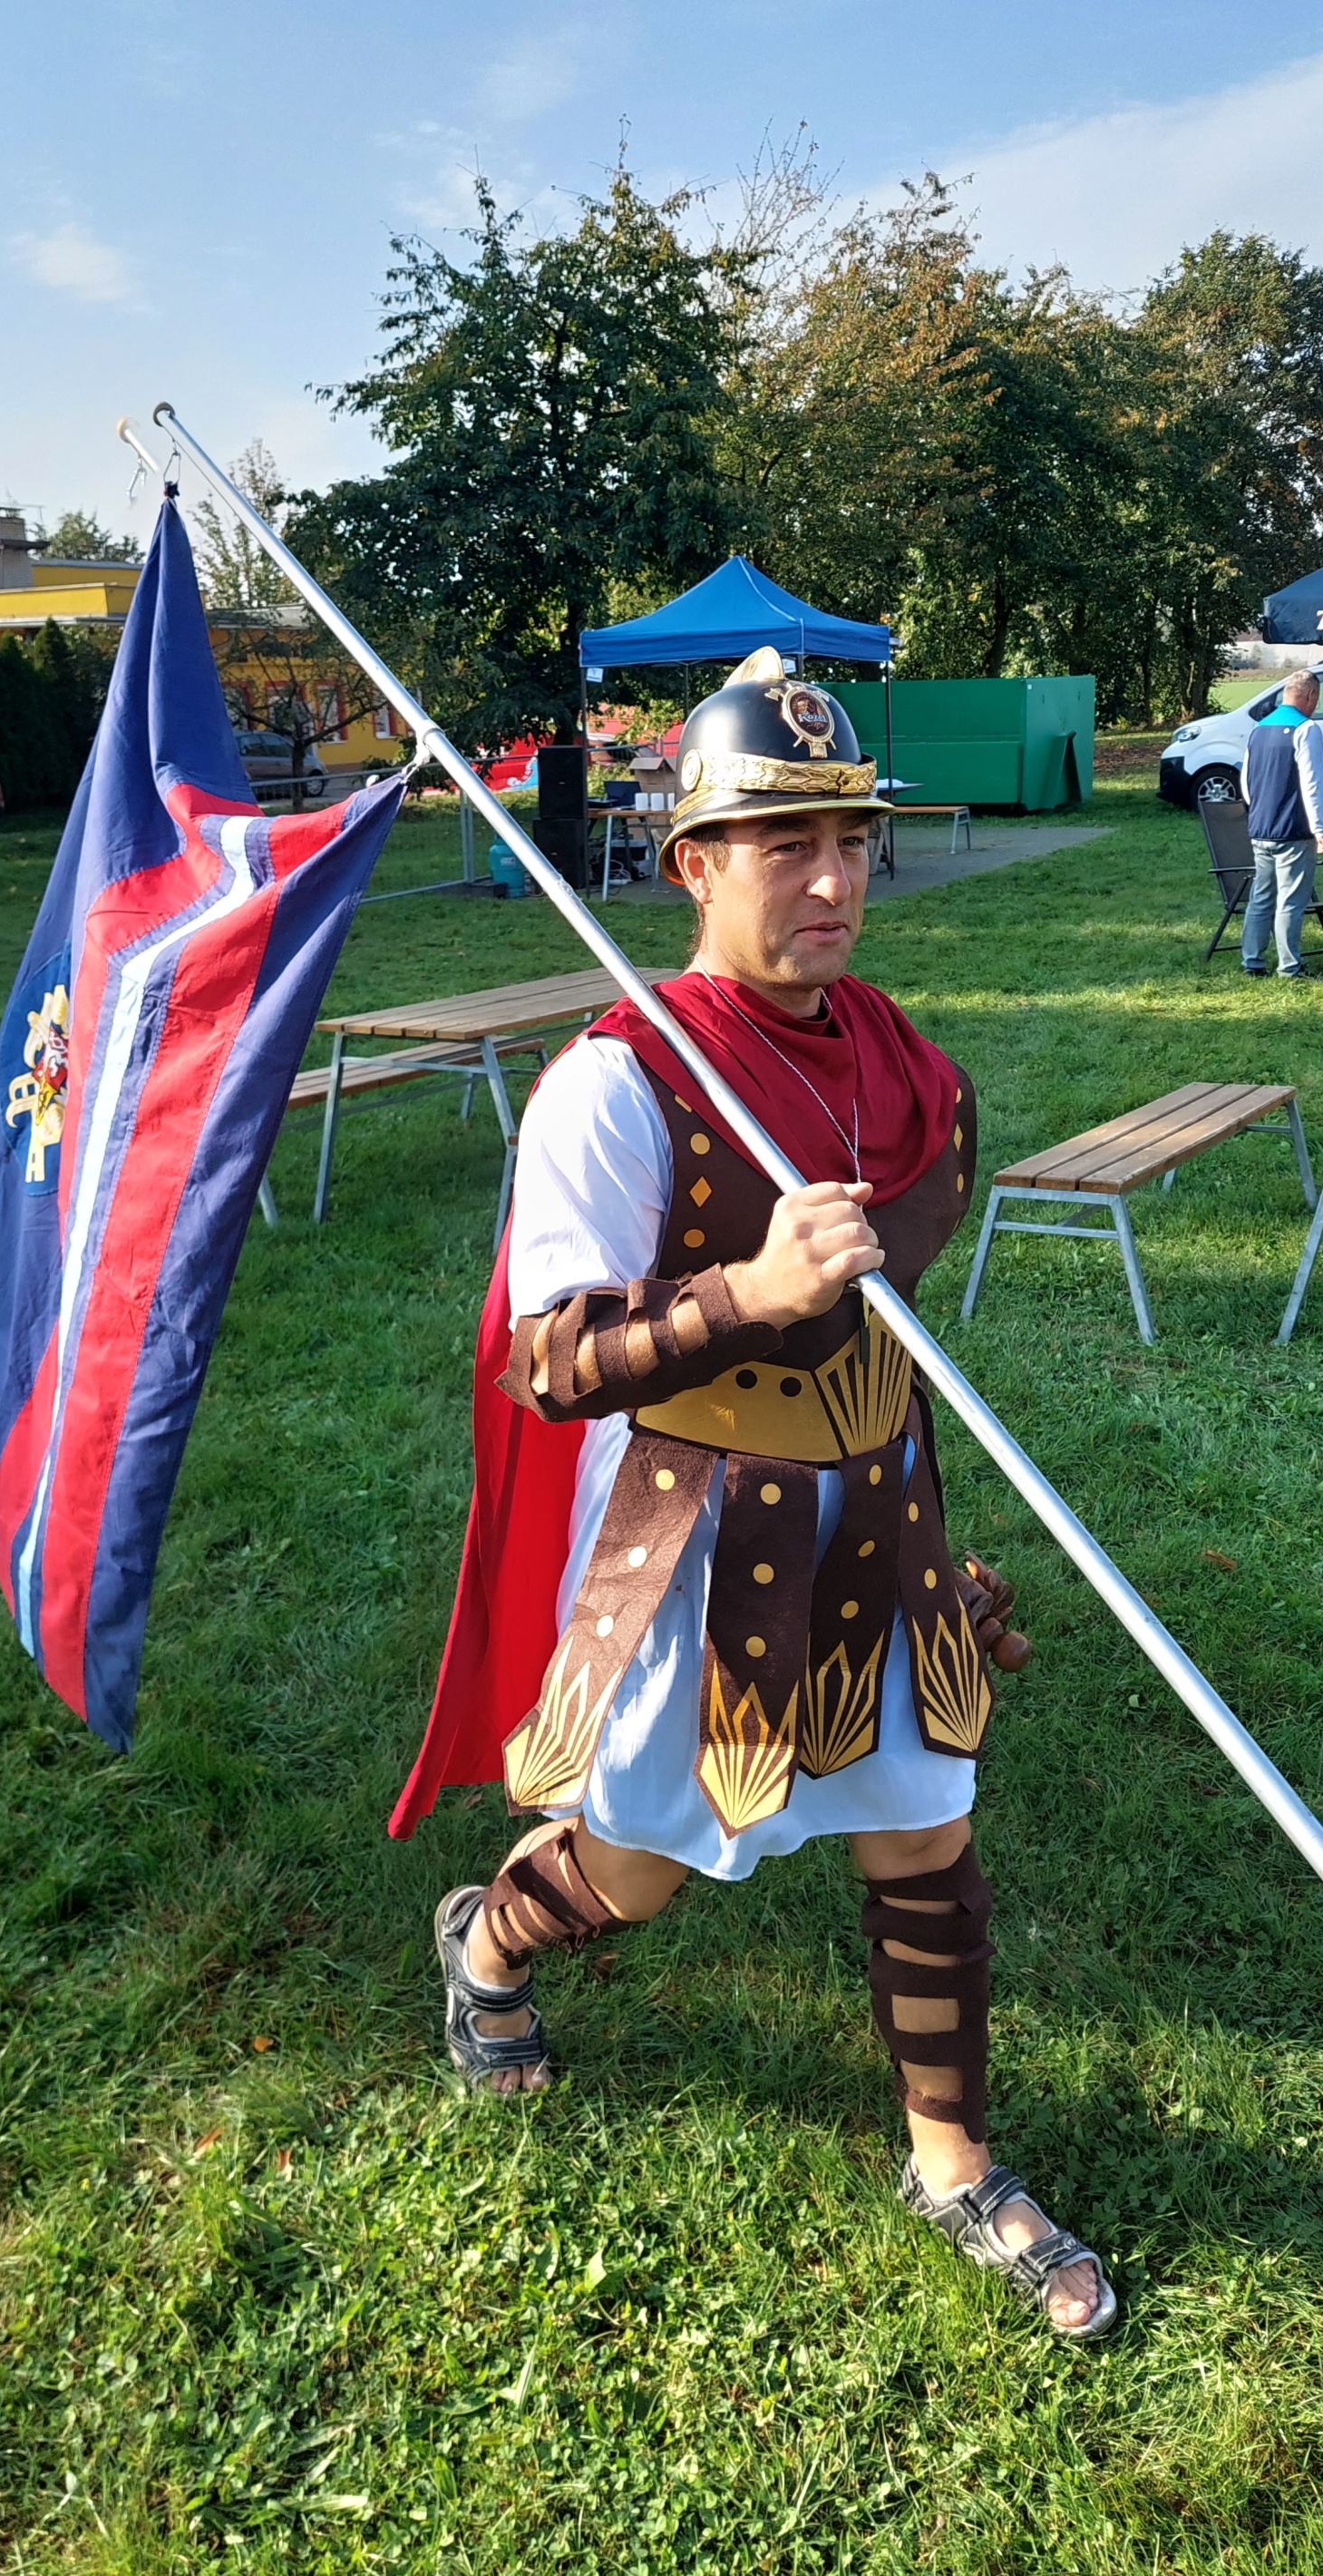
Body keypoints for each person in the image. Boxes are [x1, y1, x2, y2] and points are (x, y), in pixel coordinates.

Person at [408, 650, 1115, 2340]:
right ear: (693, 866)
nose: (830, 880)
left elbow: (894, 1316)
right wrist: (743, 1294)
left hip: (876, 1505)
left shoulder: (899, 1064)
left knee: (922, 1835)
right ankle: (486, 1942)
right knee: (643, 1867)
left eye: (850, 840)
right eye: (783, 843)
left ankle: (951, 2162)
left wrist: (921, 1525)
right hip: (692, 1530)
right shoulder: (616, 1082)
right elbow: (545, 1360)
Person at [1240, 668, 1323, 980]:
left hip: (1261, 827)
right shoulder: (1307, 729)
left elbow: (1246, 782)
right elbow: (1311, 782)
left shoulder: (1258, 729)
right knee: (1291, 901)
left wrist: (1259, 812)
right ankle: (1290, 967)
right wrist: (1320, 829)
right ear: (1311, 695)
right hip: (1293, 829)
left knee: (1261, 897)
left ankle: (1252, 962)